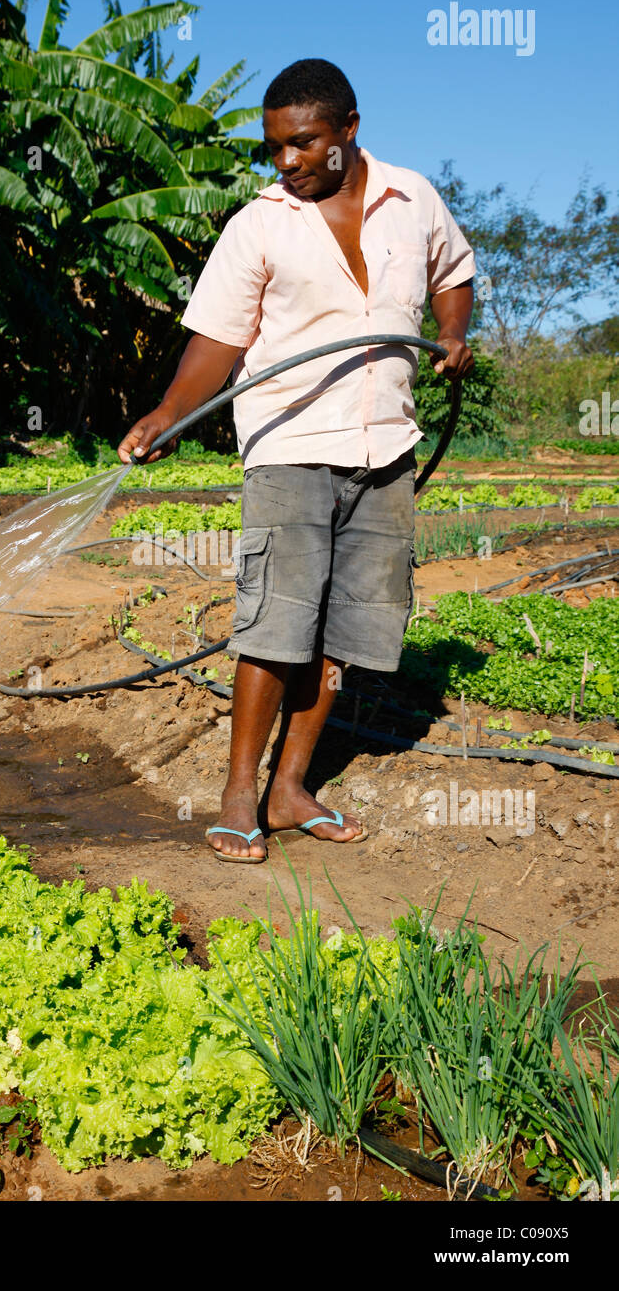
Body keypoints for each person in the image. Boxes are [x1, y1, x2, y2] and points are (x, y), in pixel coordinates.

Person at [117, 58, 476, 863]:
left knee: (345, 632)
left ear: (349, 130)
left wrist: (452, 335)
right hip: (291, 447)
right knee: (276, 624)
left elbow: (455, 274)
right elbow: (218, 340)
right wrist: (172, 411)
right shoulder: (259, 224)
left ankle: (290, 788)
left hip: (386, 446)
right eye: (274, 147)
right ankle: (240, 793)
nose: (287, 162)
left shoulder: (414, 199)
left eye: (304, 143)